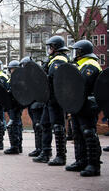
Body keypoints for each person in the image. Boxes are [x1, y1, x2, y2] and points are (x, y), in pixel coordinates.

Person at [65, 40, 103, 177]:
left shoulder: (90, 65)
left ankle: (94, 164)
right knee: (77, 133)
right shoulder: (80, 65)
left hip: (87, 104)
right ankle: (81, 161)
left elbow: (83, 84)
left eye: (76, 51)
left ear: (81, 52)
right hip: (78, 104)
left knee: (88, 132)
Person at [33, 36, 69, 166]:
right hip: (49, 100)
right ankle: (46, 152)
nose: (48, 49)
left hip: (56, 99)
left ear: (54, 47)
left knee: (58, 126)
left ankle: (61, 155)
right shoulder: (52, 60)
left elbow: (53, 78)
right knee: (45, 124)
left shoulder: (59, 61)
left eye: (50, 47)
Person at [4, 60, 24, 155]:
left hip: (16, 105)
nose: (13, 71)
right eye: (12, 69)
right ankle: (18, 146)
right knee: (16, 125)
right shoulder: (11, 79)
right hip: (12, 105)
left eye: (15, 69)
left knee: (14, 125)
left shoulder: (19, 79)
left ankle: (15, 146)